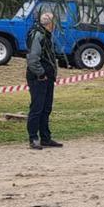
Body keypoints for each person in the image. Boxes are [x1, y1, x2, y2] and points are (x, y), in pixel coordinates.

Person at [26, 12, 62, 150]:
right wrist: (41, 74)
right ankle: (33, 138)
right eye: (54, 23)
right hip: (38, 77)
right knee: (37, 108)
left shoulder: (46, 35)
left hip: (47, 77)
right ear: (49, 23)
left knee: (46, 108)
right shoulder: (38, 35)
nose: (55, 25)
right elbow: (33, 59)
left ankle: (45, 138)